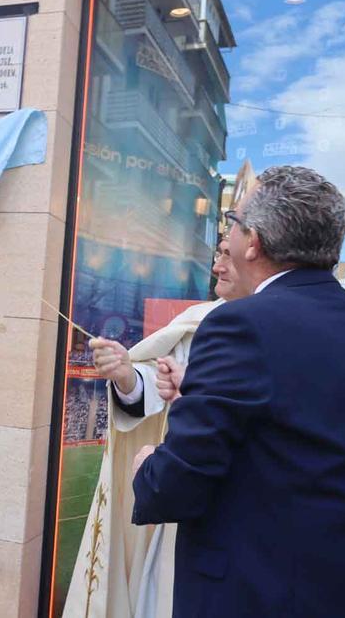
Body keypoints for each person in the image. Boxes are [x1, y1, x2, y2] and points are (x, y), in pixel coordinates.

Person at [131, 166, 345, 616]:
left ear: (254, 243)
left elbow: (177, 484)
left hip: (263, 593)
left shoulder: (239, 324)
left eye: (233, 222)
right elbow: (304, 437)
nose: (228, 235)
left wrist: (147, 466)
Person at [63, 240, 244, 618]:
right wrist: (126, 376)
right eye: (218, 253)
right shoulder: (198, 321)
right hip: (185, 504)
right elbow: (154, 381)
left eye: (228, 255)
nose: (217, 267)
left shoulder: (275, 327)